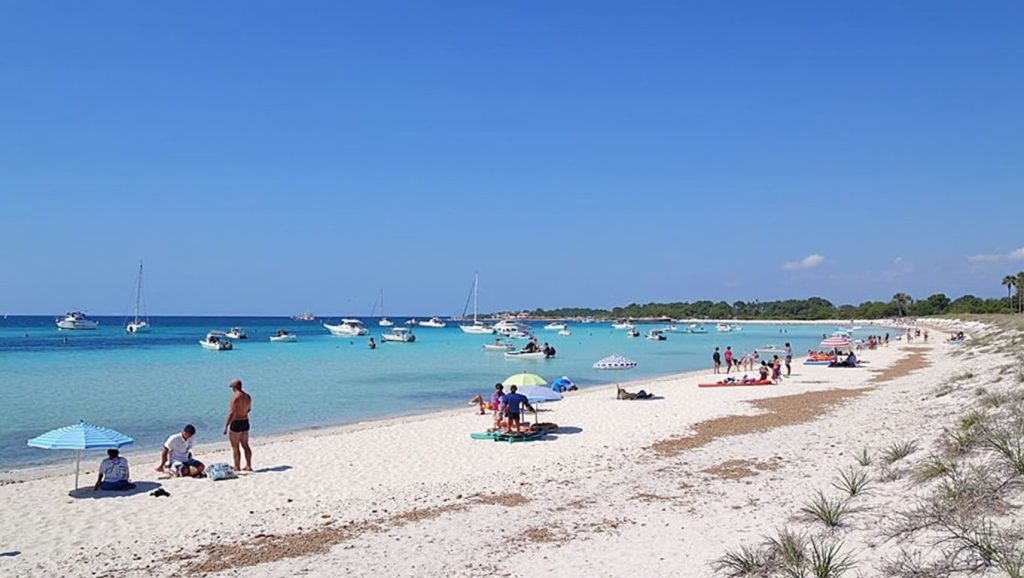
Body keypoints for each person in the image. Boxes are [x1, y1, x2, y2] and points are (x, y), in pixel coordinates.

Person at [223, 378, 253, 472]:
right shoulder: (248, 396)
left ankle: (237, 467)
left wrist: (226, 426)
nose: (231, 389)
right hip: (245, 421)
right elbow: (248, 410)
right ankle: (248, 465)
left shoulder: (234, 398)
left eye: (232, 387)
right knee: (245, 444)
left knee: (235, 446)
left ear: (234, 387)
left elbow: (232, 413)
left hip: (236, 423)